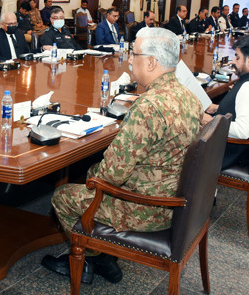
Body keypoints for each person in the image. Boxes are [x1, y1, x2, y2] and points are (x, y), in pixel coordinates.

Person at [42, 27, 203, 284]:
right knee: (92, 171)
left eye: (134, 53)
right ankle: (102, 255)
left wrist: (93, 176)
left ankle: (91, 258)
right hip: (176, 199)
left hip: (146, 208)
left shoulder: (149, 106)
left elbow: (112, 176)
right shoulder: (189, 97)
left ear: (151, 62)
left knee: (63, 196)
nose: (129, 59)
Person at [203, 34, 249, 168]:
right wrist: (217, 108)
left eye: (237, 57)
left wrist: (210, 121)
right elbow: (243, 108)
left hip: (226, 151)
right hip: (231, 145)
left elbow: (243, 131)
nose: (233, 61)